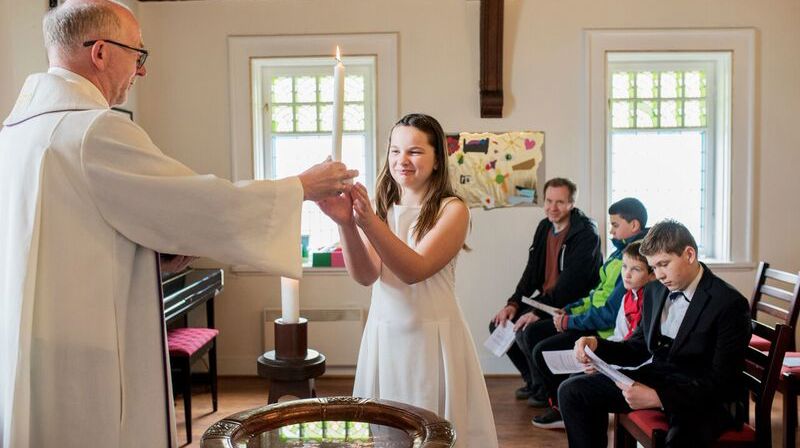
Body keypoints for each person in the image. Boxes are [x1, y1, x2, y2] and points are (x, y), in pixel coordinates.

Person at [0, 1, 357, 447]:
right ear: (100, 53)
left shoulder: (15, 133)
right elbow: (204, 202)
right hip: (90, 354)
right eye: (138, 54)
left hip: (33, 343)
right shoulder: (93, 131)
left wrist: (154, 254)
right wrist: (300, 186)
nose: (142, 70)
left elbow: (75, 233)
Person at [318, 113, 498, 447]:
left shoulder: (452, 209)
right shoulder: (385, 208)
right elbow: (366, 275)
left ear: (436, 160)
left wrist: (368, 222)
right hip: (385, 334)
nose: (402, 160)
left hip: (432, 338)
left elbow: (414, 270)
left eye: (415, 151)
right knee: (386, 434)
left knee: (433, 433)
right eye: (395, 150)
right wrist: (346, 224)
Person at [558, 220, 751, 448]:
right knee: (573, 391)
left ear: (689, 254)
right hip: (657, 378)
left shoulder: (729, 303)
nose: (658, 275)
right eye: (653, 267)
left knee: (678, 441)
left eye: (664, 264)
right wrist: (596, 345)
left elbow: (723, 382)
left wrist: (658, 397)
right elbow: (637, 348)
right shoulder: (655, 290)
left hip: (702, 399)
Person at [489, 178, 602, 405]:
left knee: (527, 330)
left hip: (571, 304)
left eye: (560, 202)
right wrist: (513, 303)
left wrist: (537, 313)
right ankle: (533, 382)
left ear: (571, 203)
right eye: (549, 201)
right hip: (546, 300)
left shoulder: (585, 234)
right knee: (500, 323)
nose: (552, 207)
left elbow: (571, 287)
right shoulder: (544, 227)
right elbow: (531, 271)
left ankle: (545, 392)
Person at [530, 240, 654, 428]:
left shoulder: (652, 300)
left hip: (638, 367)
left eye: (635, 270)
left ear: (652, 274)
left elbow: (641, 350)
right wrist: (598, 360)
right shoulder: (627, 297)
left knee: (578, 386)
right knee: (575, 377)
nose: (626, 274)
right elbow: (620, 336)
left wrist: (605, 364)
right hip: (623, 358)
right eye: (625, 267)